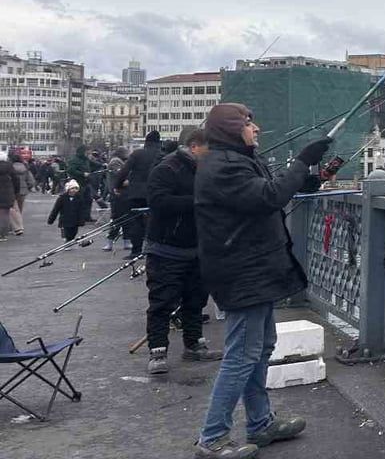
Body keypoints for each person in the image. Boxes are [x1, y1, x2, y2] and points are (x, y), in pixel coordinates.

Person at [192, 103, 331, 459]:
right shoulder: (223, 166)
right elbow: (270, 196)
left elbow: (266, 192)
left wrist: (307, 176)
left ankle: (260, 424)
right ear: (230, 130)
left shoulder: (237, 161)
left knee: (261, 346)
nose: (257, 129)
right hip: (242, 270)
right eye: (249, 124)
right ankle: (212, 439)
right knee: (242, 354)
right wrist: (301, 161)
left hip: (254, 267)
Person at [144, 126, 223, 375]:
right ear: (194, 147)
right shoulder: (166, 169)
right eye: (209, 150)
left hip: (197, 248)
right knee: (162, 302)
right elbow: (158, 202)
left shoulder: (205, 170)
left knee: (195, 300)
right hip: (166, 249)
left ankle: (194, 344)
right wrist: (199, 201)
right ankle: (157, 351)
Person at [115, 131, 165, 258]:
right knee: (155, 220)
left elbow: (124, 171)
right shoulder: (162, 155)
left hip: (136, 193)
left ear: (146, 142)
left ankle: (136, 251)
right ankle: (154, 249)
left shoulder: (137, 154)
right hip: (155, 193)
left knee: (135, 221)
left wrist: (118, 186)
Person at [104, 148, 129, 250]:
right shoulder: (115, 162)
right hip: (118, 194)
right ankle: (110, 242)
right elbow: (119, 175)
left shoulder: (119, 161)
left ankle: (126, 241)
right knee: (117, 218)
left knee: (125, 218)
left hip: (120, 193)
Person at [7, 149, 35, 236]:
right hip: (23, 190)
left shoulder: (9, 167)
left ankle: (13, 227)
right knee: (20, 208)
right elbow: (30, 180)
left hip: (12, 190)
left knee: (11, 209)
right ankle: (19, 225)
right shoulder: (25, 167)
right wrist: (29, 187)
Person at [0, 155, 18, 242]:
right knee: (5, 214)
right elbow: (16, 180)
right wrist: (15, 191)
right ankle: (2, 235)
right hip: (7, 193)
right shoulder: (9, 167)